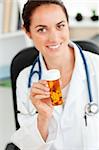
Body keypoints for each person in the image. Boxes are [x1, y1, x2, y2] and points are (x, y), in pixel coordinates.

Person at [10, 0, 99, 149]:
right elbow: (28, 147)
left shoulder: (96, 66)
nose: (54, 37)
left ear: (67, 25)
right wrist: (43, 117)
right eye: (42, 29)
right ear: (27, 32)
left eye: (60, 26)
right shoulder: (26, 80)